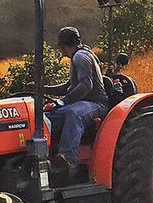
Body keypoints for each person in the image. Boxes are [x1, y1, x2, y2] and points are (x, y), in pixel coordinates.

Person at [43, 26, 110, 178]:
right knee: (45, 116)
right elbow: (68, 87)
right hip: (82, 103)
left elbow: (86, 85)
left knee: (74, 114)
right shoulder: (78, 57)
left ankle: (67, 160)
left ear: (62, 46)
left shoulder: (81, 57)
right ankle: (44, 157)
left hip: (96, 104)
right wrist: (43, 89)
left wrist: (60, 102)